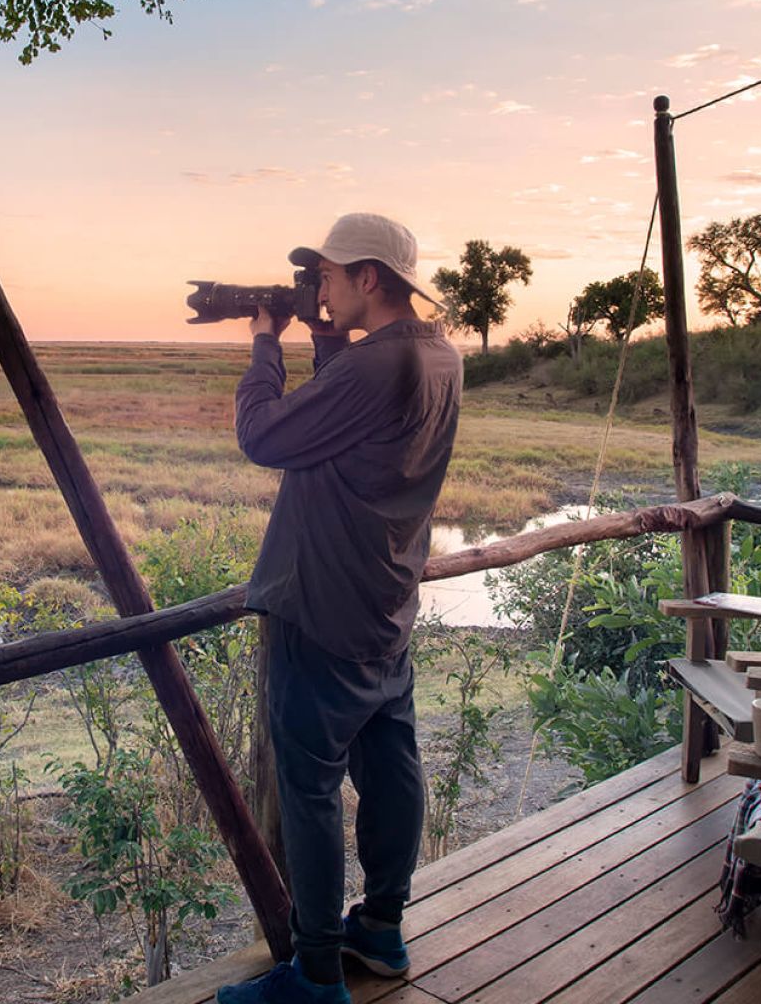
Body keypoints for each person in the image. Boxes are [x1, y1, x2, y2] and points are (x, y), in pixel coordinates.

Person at [219, 213, 463, 1004]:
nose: (317, 289)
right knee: (391, 769)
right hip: (385, 604)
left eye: (326, 276)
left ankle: (317, 974)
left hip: (321, 608)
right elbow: (357, 421)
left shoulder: (374, 366)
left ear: (367, 277)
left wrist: (266, 343)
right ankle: (382, 929)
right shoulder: (439, 355)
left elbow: (264, 437)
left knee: (311, 790)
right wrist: (326, 339)